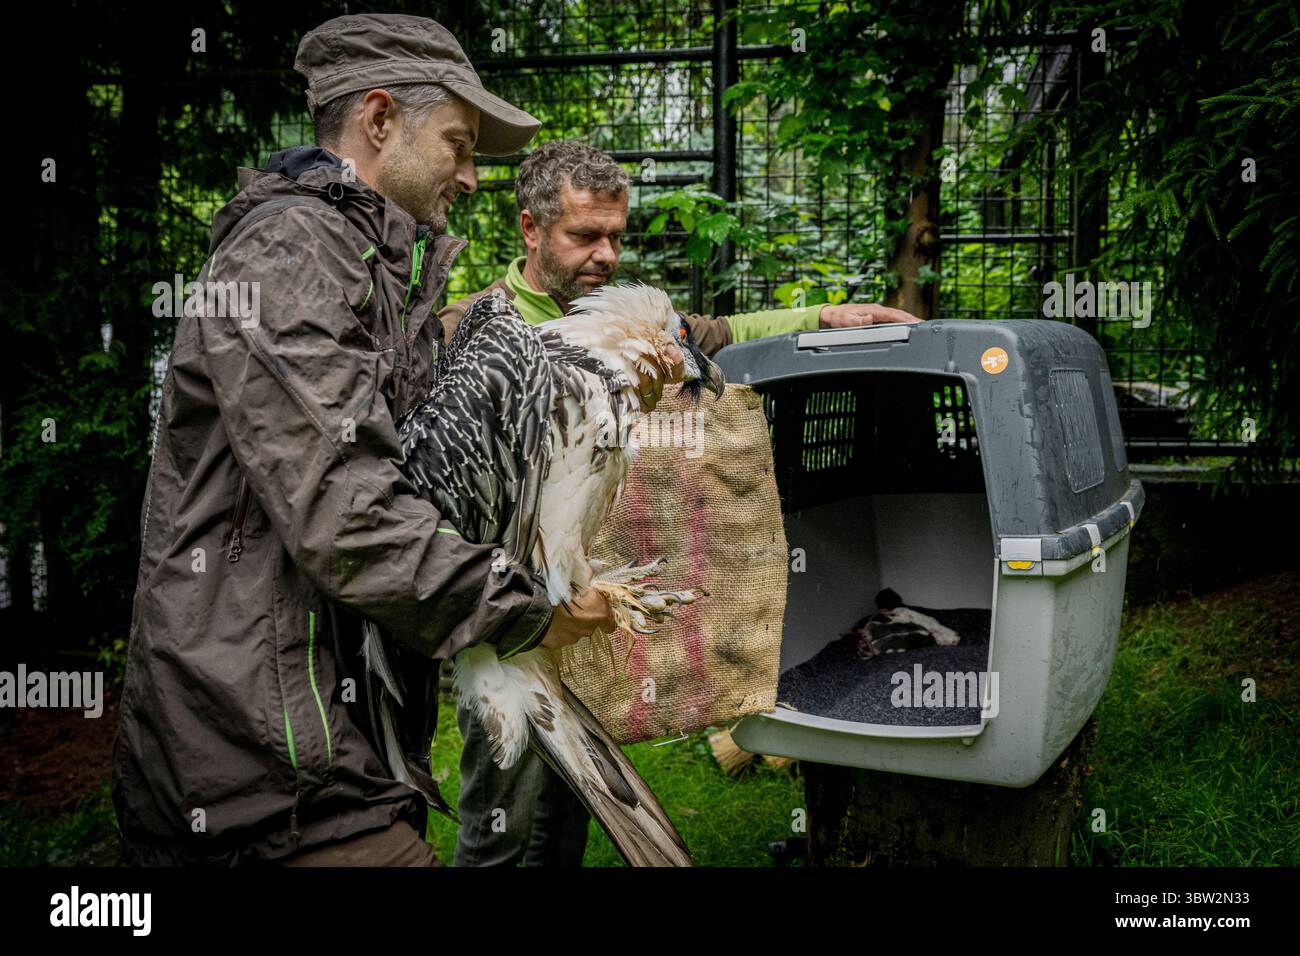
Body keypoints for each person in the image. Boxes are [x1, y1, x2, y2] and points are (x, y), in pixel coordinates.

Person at [110, 14, 651, 867]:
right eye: (458, 145)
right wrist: (530, 614)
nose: (472, 176)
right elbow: (348, 515)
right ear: (378, 119)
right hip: (260, 766)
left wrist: (661, 343)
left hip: (334, 750)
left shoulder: (373, 268)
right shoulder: (287, 258)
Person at [443, 139, 920, 867]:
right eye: (583, 236)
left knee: (573, 801)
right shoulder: (468, 331)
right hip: (502, 615)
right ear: (530, 229)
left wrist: (825, 318)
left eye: (615, 236)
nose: (605, 254)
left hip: (581, 604)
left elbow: (720, 335)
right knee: (503, 813)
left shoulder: (623, 320)